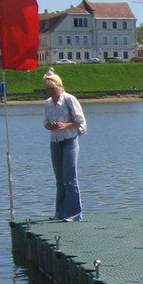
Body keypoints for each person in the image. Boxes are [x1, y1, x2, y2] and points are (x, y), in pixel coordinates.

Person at [42, 71, 85, 222]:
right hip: (55, 142)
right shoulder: (47, 103)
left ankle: (74, 213)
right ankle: (60, 212)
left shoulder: (69, 99)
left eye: (52, 89)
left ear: (59, 87)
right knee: (59, 179)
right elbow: (45, 122)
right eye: (48, 89)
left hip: (70, 140)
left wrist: (65, 125)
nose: (50, 92)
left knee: (70, 178)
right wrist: (51, 125)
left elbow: (79, 120)